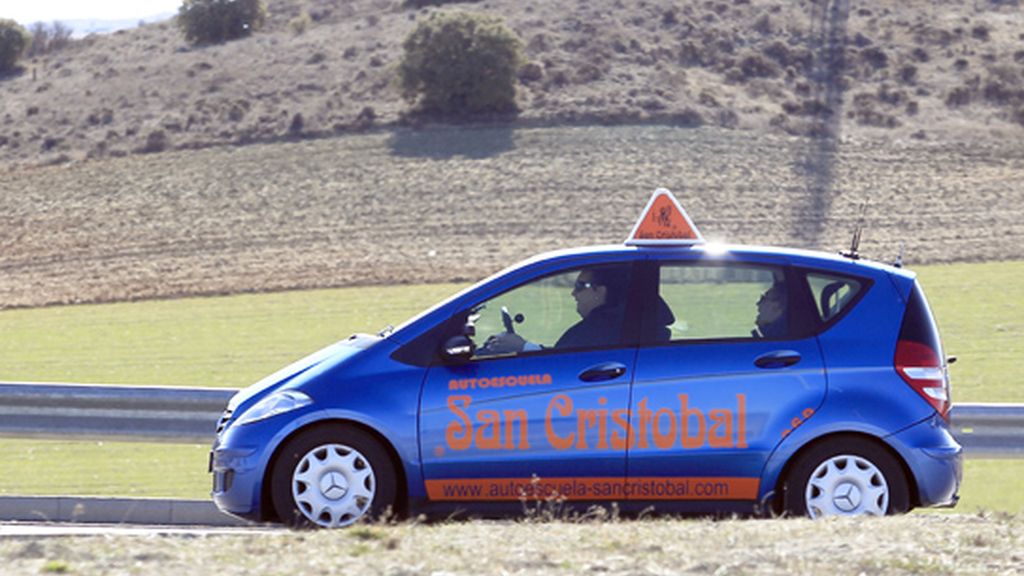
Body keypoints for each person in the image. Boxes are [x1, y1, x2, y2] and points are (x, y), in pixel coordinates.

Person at [480, 268, 625, 354]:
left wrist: (521, 346)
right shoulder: (605, 324)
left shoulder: (598, 328)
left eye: (580, 286)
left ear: (599, 291)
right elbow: (563, 355)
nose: (573, 293)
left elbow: (563, 365)